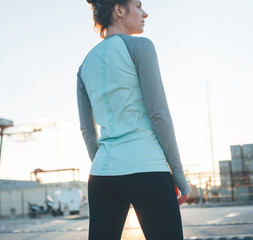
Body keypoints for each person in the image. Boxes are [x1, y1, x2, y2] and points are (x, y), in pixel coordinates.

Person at [77, 0, 191, 239]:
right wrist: (178, 174)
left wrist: (108, 164)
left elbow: (88, 131)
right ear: (119, 10)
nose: (145, 13)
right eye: (138, 6)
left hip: (101, 177)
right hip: (148, 170)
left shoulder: (84, 65)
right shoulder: (140, 47)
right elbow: (158, 113)